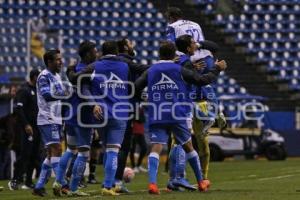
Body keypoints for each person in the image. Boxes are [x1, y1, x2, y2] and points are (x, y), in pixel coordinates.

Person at [134, 41, 227, 194]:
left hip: (157, 113)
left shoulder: (152, 70)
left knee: (156, 147)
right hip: (178, 114)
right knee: (188, 147)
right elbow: (202, 81)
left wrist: (144, 98)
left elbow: (137, 86)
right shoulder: (179, 69)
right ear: (174, 54)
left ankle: (152, 184)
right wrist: (217, 69)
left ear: (159, 54)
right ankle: (201, 182)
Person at [54, 41, 98, 196]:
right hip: (83, 115)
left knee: (70, 149)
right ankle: (73, 188)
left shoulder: (76, 69)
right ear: (87, 54)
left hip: (71, 115)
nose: (96, 53)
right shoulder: (88, 72)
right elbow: (85, 91)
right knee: (84, 152)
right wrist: (94, 105)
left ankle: (58, 181)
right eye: (94, 51)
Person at [32, 49, 72, 197]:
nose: (61, 62)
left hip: (55, 118)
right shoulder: (44, 76)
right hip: (46, 118)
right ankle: (63, 183)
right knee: (57, 149)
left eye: (61, 59)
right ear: (49, 62)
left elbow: (60, 97)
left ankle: (39, 186)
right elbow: (47, 95)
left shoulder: (56, 76)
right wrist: (66, 94)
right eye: (58, 59)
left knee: (51, 154)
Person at [8, 69, 41, 190]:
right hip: (27, 128)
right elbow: (18, 109)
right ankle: (15, 180)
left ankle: (28, 181)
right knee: (24, 154)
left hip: (37, 127)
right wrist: (26, 125)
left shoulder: (38, 91)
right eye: (39, 77)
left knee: (34, 155)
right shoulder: (24, 90)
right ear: (34, 77)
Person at [130, 106, 148, 173]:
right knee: (132, 149)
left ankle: (138, 165)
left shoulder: (141, 107)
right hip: (133, 130)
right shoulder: (133, 105)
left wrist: (139, 118)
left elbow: (142, 119)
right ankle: (134, 166)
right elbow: (136, 118)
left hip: (140, 130)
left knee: (144, 148)